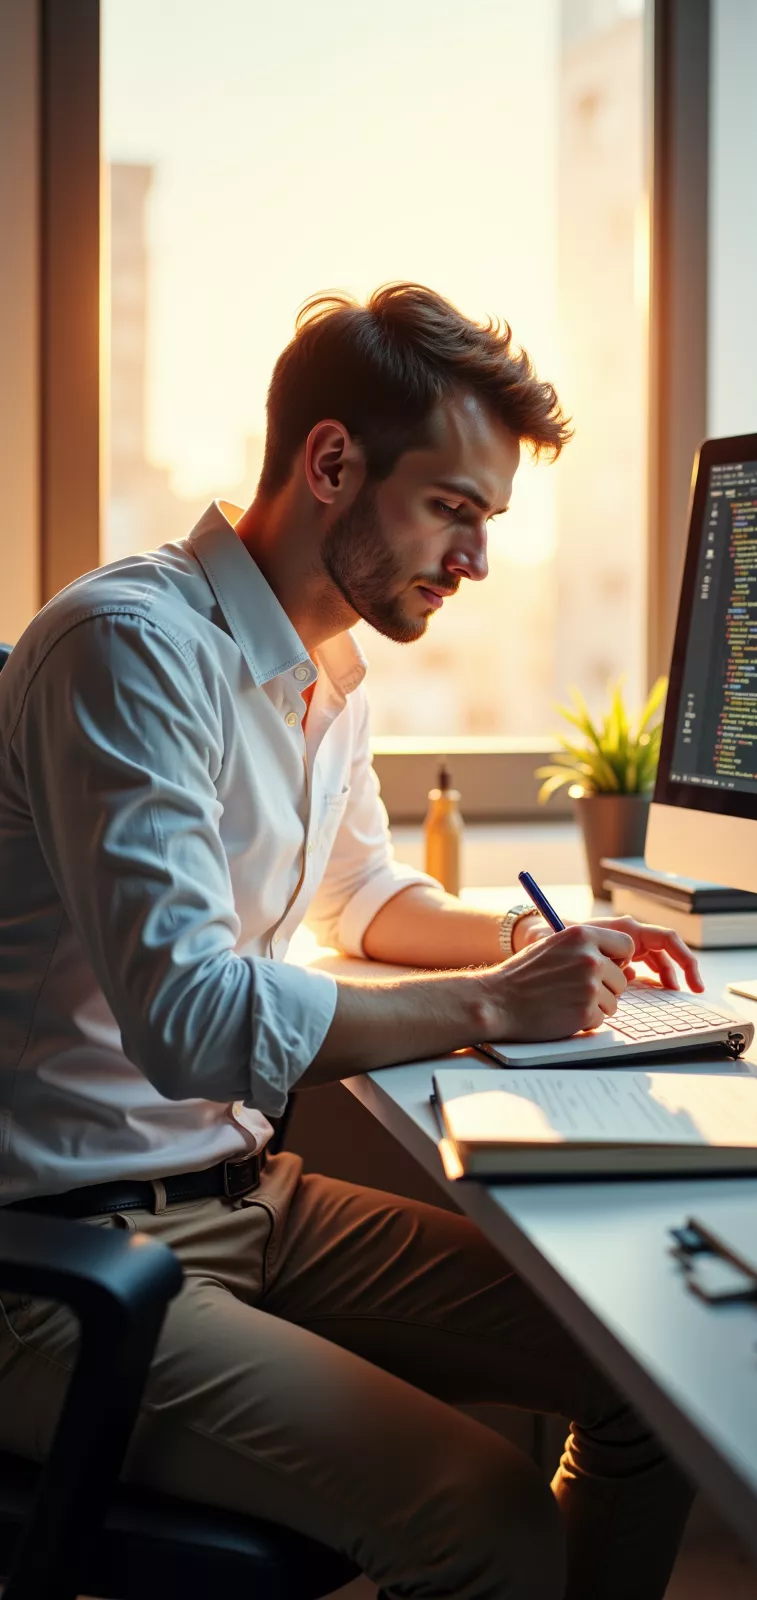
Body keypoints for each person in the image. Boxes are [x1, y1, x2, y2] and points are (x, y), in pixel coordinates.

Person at [0, 283, 702, 1599]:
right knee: (485, 1517)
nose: (478, 562)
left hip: (242, 1202)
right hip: (52, 1260)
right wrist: (498, 1004)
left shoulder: (319, 673)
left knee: (655, 1371)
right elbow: (193, 1023)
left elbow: (364, 899)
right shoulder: (128, 648)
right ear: (332, 463)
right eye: (455, 509)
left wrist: (534, 940)